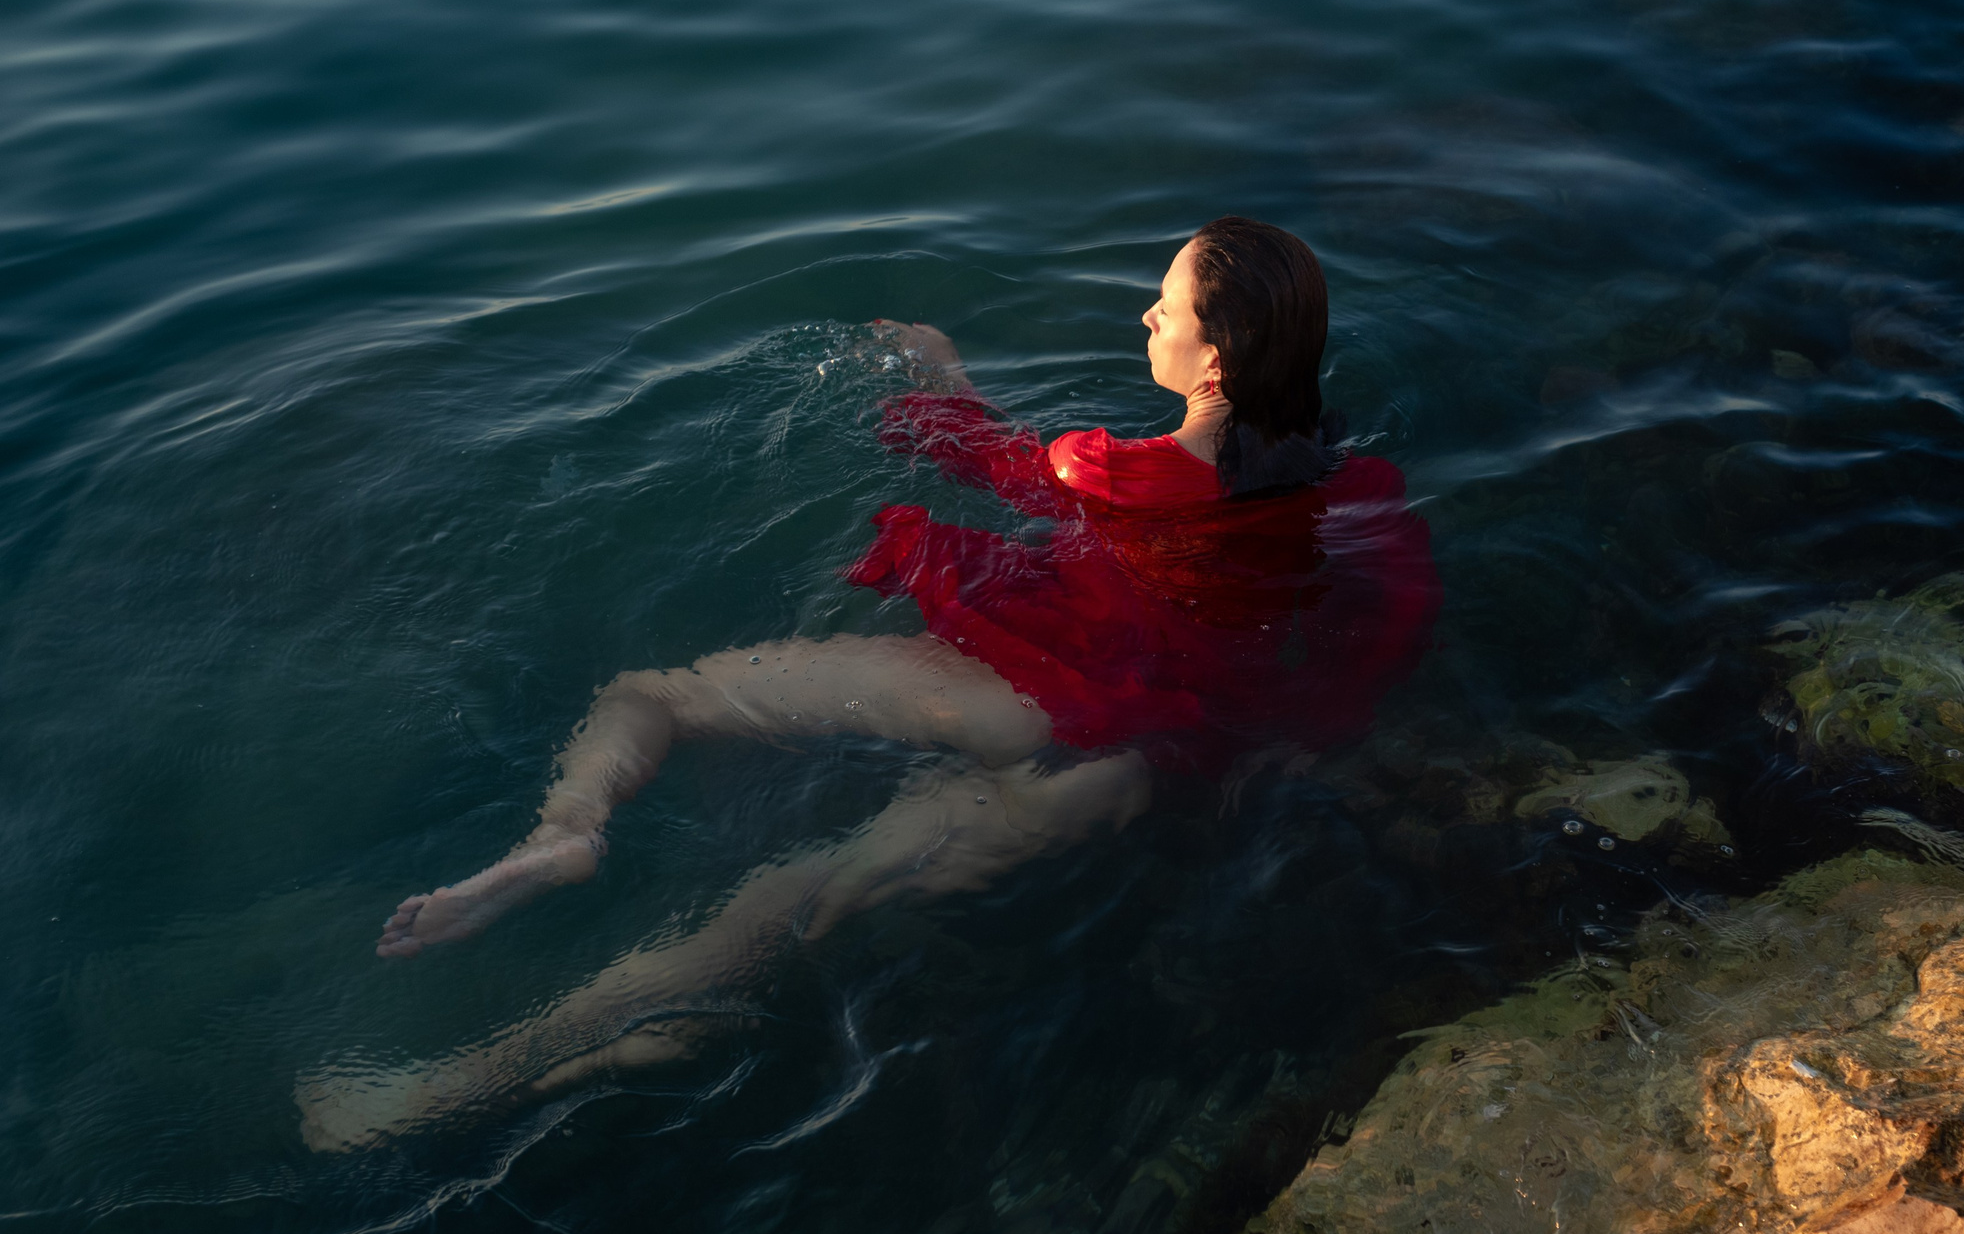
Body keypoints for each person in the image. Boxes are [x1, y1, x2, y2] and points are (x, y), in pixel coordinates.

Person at [299, 218, 1439, 1150]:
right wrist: (1296, 740)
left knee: (653, 693)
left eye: (1167, 305)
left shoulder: (1106, 469)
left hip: (1022, 693)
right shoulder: (1361, 490)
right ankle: (448, 1089)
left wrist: (936, 366)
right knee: (765, 915)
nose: (1145, 314)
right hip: (1125, 765)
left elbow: (967, 447)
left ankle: (568, 836)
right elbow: (1388, 628)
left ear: (1219, 358)